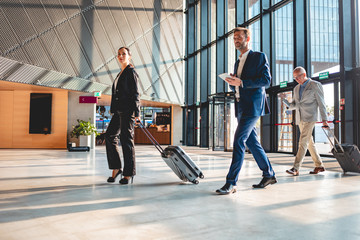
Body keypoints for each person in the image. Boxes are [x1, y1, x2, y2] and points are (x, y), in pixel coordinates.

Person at [216, 27, 276, 195]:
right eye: (234, 38)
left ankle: (231, 183)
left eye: (239, 37)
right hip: (241, 105)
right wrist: (232, 81)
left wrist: (241, 82)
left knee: (238, 141)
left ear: (247, 39)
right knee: (252, 143)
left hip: (253, 106)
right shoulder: (238, 61)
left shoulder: (258, 56)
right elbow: (239, 84)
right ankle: (269, 174)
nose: (236, 40)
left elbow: (266, 80)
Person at [105, 47, 140, 184]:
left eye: (123, 54)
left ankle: (128, 173)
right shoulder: (120, 73)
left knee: (126, 140)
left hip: (128, 111)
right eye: (119, 54)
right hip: (118, 111)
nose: (120, 56)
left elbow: (136, 93)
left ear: (129, 56)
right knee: (110, 135)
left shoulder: (131, 72)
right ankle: (116, 168)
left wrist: (137, 113)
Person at [285, 66, 328, 176]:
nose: (296, 80)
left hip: (310, 117)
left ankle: (296, 168)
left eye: (297, 77)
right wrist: (288, 105)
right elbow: (296, 104)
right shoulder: (296, 89)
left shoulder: (315, 85)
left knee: (303, 141)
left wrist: (324, 120)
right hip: (300, 118)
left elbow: (321, 103)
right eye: (294, 78)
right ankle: (319, 165)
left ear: (304, 75)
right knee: (309, 143)